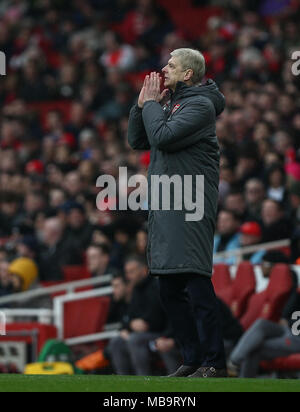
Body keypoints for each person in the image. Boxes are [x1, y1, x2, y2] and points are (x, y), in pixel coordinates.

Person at [127, 48, 227, 378]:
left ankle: (215, 362)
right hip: (168, 204)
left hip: (191, 205)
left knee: (196, 283)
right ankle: (192, 359)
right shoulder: (170, 102)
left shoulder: (200, 105)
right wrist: (142, 104)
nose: (164, 68)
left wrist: (154, 106)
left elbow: (163, 136)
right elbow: (138, 139)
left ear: (187, 74)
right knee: (169, 288)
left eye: (171, 64)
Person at [108, 256, 167, 376]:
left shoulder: (157, 287)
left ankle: (143, 378)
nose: (129, 276)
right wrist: (128, 326)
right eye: (127, 272)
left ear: (144, 270)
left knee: (135, 340)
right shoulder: (136, 290)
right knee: (116, 342)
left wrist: (146, 323)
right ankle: (123, 380)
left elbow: (160, 316)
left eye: (132, 271)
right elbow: (128, 316)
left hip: (159, 333)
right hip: (140, 333)